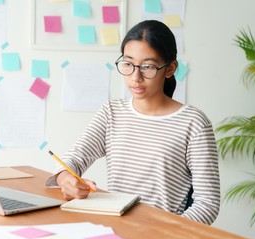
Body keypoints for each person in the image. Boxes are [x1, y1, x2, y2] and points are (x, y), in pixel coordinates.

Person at [46, 20, 220, 225]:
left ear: (170, 68)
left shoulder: (193, 123)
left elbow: (207, 203)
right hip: (113, 230)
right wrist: (65, 179)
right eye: (128, 64)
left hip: (161, 238)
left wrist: (167, 231)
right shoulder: (111, 112)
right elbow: (74, 159)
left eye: (147, 66)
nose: (135, 77)